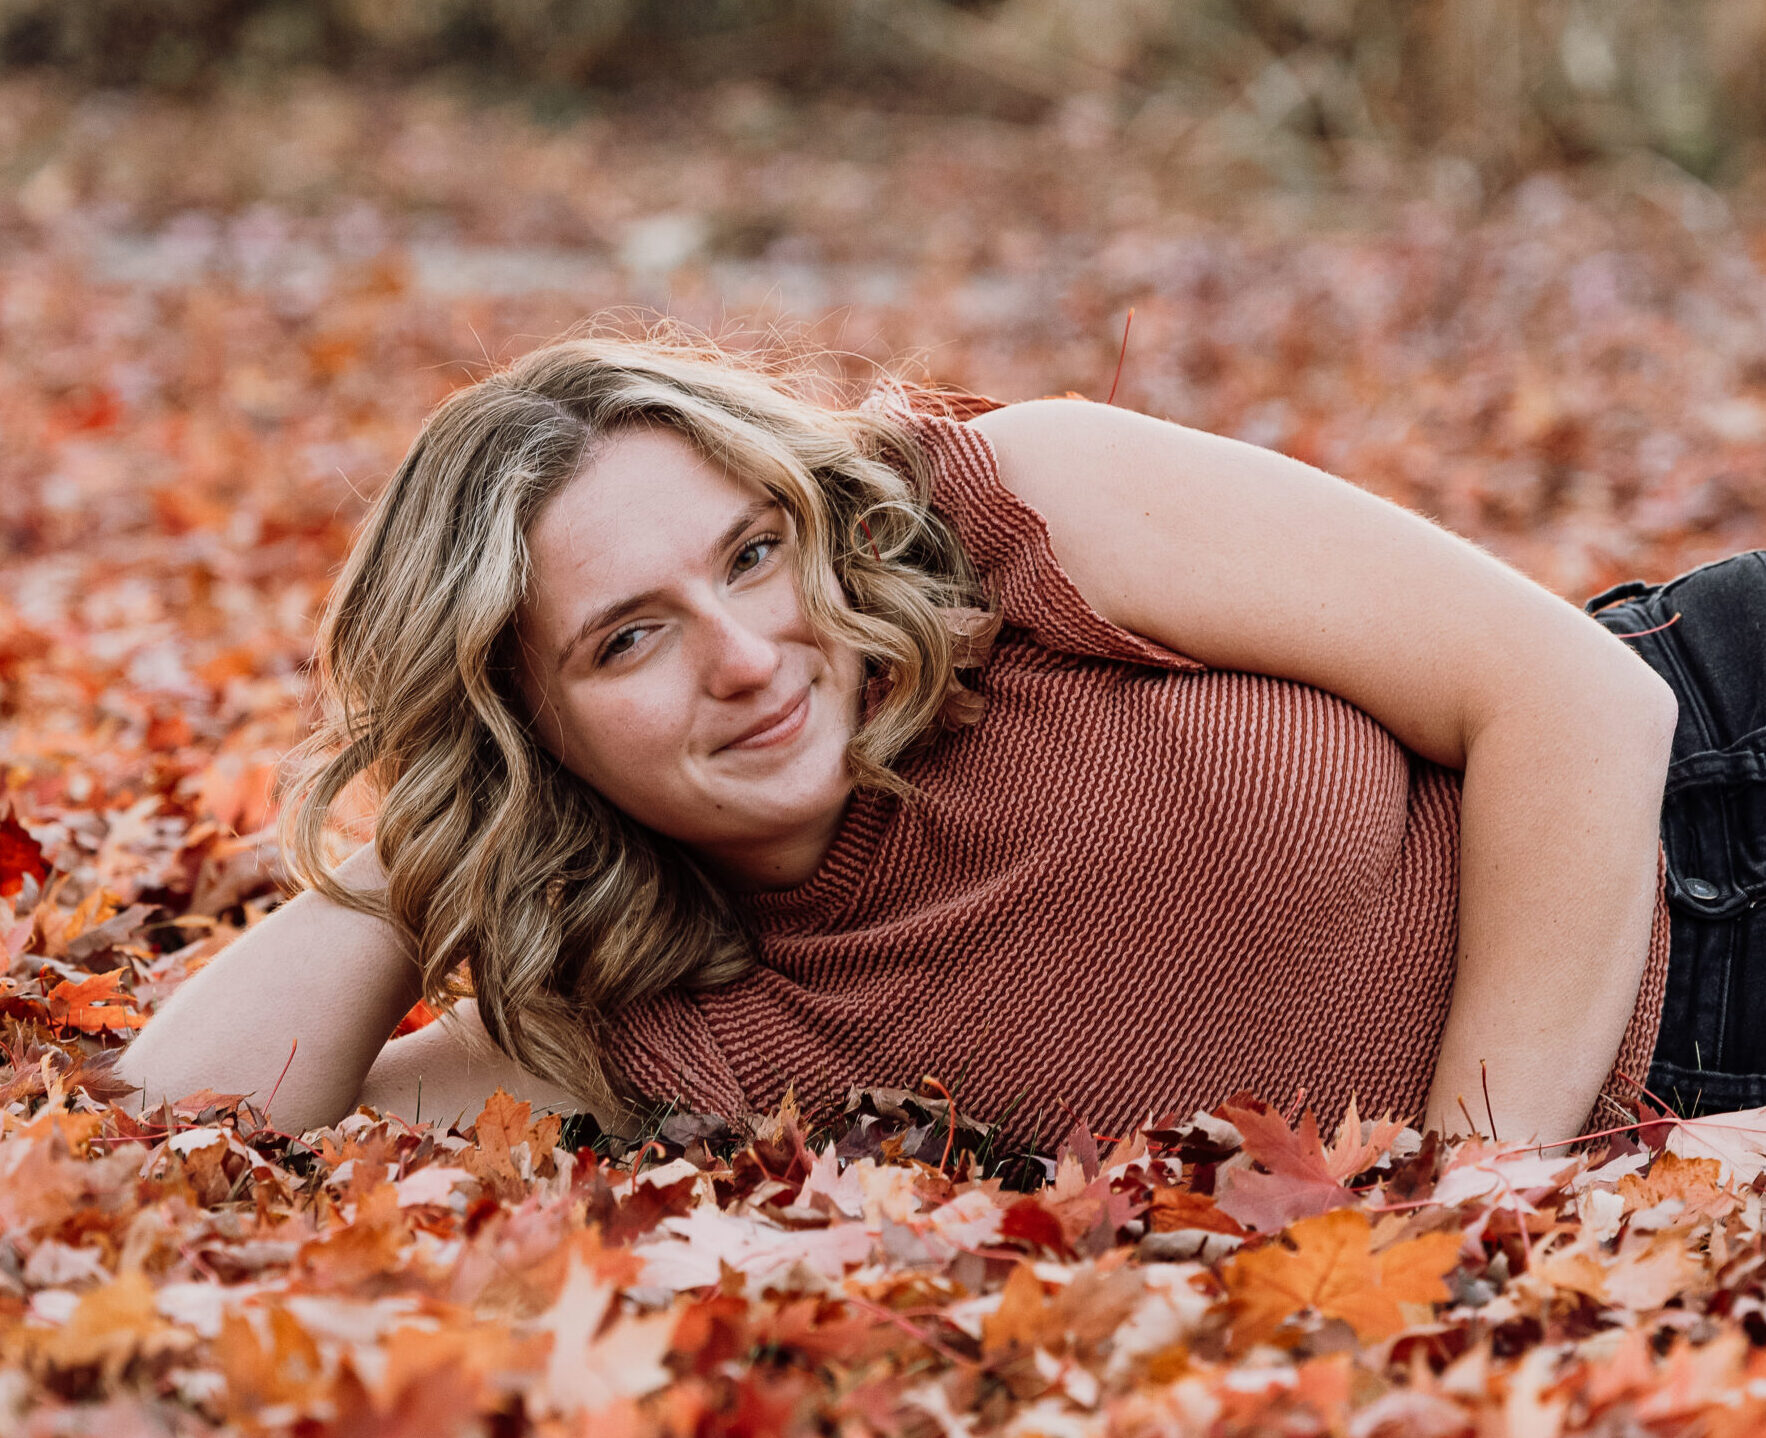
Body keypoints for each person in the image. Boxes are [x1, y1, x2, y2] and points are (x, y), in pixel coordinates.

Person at [121, 322, 1741, 1151]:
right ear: (529, 730)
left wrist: (1487, 1184)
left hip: (1708, 764)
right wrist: (429, 845)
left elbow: (1580, 699)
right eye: (627, 638)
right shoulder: (676, 1025)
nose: (749, 658)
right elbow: (178, 1136)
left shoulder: (1015, 510)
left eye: (750, 554)